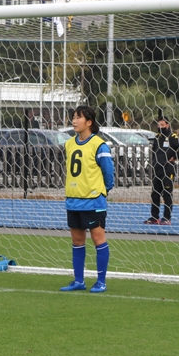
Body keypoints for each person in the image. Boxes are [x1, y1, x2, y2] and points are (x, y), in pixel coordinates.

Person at [60, 106, 115, 293]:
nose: (74, 121)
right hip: (73, 200)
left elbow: (109, 173)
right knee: (77, 240)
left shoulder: (99, 145)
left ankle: (101, 281)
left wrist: (102, 190)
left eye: (78, 118)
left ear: (89, 122)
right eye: (73, 117)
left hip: (93, 201)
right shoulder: (69, 144)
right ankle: (78, 280)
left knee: (98, 239)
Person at [144, 117, 179, 225]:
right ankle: (154, 217)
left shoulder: (173, 137)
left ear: (167, 125)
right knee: (155, 194)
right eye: (159, 125)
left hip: (168, 169)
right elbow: (155, 151)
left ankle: (167, 218)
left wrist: (175, 156)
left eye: (162, 125)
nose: (160, 127)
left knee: (167, 194)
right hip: (157, 169)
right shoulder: (157, 137)